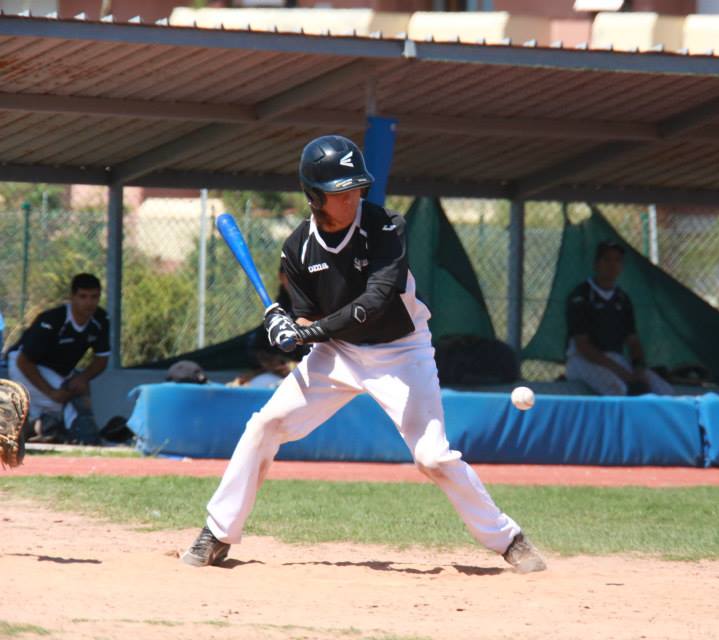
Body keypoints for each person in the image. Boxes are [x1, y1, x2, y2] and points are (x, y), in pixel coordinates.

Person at [181, 135, 546, 573]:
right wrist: (284, 327)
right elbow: (306, 321)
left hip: (402, 351)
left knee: (432, 457)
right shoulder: (298, 249)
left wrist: (309, 331)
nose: (354, 197)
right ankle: (218, 533)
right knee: (265, 425)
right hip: (337, 353)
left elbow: (374, 302)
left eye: (357, 188)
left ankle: (508, 539)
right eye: (342, 191)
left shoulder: (386, 226)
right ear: (315, 195)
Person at [6, 273, 110, 443]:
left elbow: (101, 359)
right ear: (72, 297)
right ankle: (78, 436)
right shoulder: (53, 320)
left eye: (94, 297)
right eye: (83, 296)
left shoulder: (101, 319)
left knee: (75, 394)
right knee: (66, 403)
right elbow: (24, 361)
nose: (89, 303)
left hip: (58, 372)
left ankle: (37, 428)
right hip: (25, 365)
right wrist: (52, 393)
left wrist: (83, 377)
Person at [564, 241, 674, 396]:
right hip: (582, 361)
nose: (612, 265)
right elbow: (584, 347)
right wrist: (625, 375)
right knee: (618, 389)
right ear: (596, 264)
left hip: (616, 360)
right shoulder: (581, 296)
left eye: (617, 260)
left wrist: (639, 369)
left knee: (664, 391)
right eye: (607, 260)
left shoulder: (622, 299)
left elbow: (633, 341)